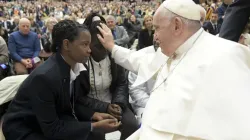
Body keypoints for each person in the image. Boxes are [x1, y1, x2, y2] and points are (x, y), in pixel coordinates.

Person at [97, 0, 250, 139]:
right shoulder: (175, 50)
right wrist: (112, 47)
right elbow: (140, 60)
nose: (155, 37)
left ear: (177, 25)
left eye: (157, 28)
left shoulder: (226, 56)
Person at [2, 20, 121, 140]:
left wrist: (93, 115)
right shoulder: (45, 77)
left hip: (48, 120)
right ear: (66, 45)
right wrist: (93, 126)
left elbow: (69, 104)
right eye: (84, 44)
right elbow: (52, 129)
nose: (89, 50)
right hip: (25, 128)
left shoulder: (75, 67)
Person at [83, 13, 138, 140]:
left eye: (105, 46)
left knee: (132, 125)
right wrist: (104, 107)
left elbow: (121, 83)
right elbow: (78, 97)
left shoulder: (113, 57)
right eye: (98, 46)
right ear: (88, 44)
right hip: (89, 108)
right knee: (96, 132)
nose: (103, 51)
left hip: (113, 102)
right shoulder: (81, 61)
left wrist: (118, 103)